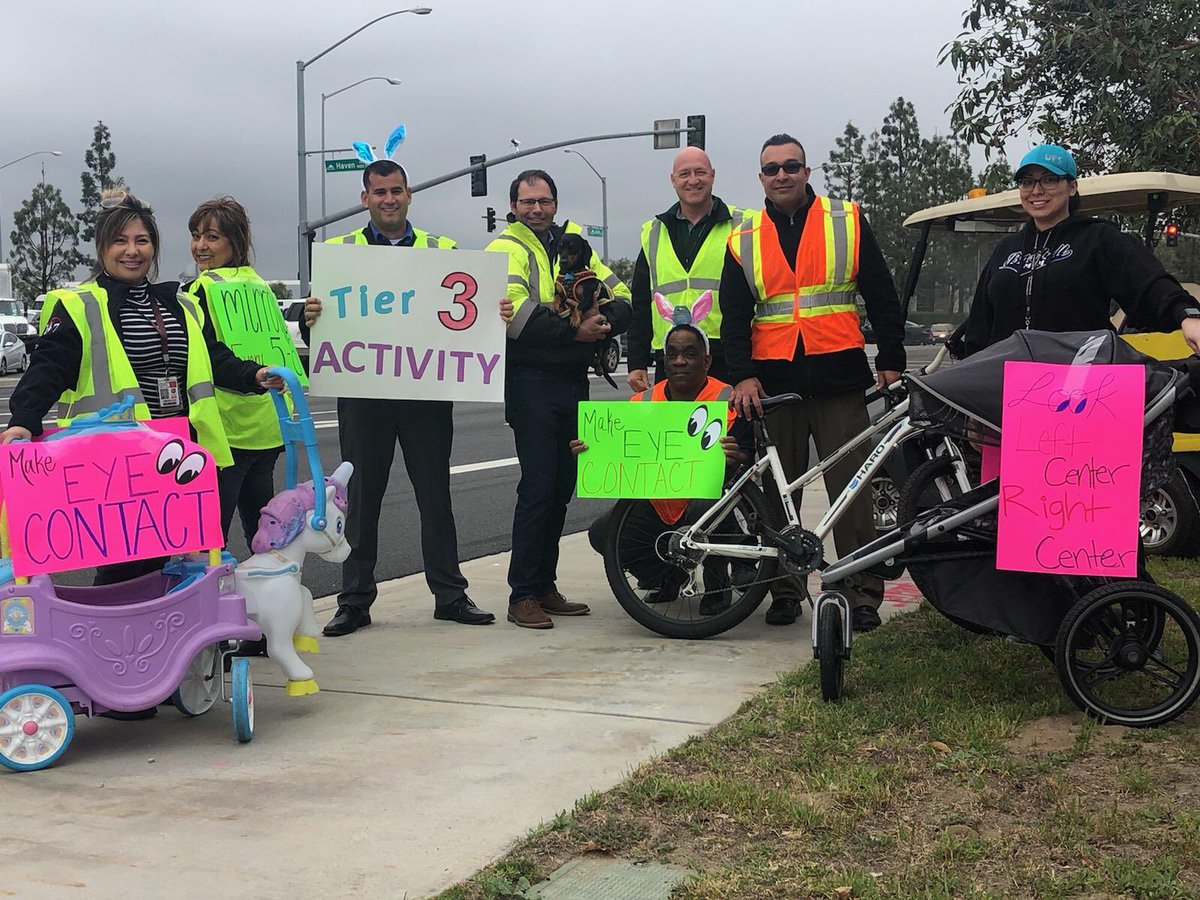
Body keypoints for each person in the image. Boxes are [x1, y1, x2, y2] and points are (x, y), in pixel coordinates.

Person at [2, 189, 281, 586]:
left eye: (142, 240)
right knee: (123, 571)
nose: (132, 251)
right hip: (118, 464)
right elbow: (49, 366)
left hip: (178, 456)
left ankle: (170, 646)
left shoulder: (179, 304)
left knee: (178, 569)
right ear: (102, 248)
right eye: (120, 241)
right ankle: (117, 646)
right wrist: (23, 420)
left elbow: (213, 358)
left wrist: (253, 376)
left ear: (154, 247)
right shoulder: (81, 304)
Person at [301, 159, 496, 634]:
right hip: (364, 396)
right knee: (360, 500)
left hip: (426, 395)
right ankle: (354, 601)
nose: (389, 199)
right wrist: (309, 316)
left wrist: (496, 309)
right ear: (365, 199)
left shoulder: (441, 250)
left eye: (397, 190)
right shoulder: (340, 253)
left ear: (409, 195)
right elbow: (324, 329)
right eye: (379, 192)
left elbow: (469, 316)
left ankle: (450, 595)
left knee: (435, 496)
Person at [721, 133, 906, 631]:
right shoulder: (743, 236)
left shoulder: (845, 219)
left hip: (838, 374)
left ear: (807, 172)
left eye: (791, 166)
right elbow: (733, 315)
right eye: (772, 169)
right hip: (774, 382)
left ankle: (860, 593)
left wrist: (891, 354)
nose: (782, 175)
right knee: (779, 493)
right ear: (761, 178)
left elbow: (880, 291)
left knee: (852, 489)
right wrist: (742, 375)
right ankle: (783, 589)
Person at [487, 169, 632, 629]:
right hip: (530, 382)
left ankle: (545, 586)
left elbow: (623, 295)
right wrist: (577, 328)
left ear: (555, 203)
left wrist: (601, 321)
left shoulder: (574, 246)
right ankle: (522, 594)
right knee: (537, 487)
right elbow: (515, 319)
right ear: (513, 205)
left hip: (573, 382)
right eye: (527, 201)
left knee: (560, 489)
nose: (536, 209)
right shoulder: (504, 248)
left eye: (544, 201)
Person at [577, 323, 752, 613]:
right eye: (671, 355)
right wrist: (590, 450)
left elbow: (750, 459)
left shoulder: (729, 399)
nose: (680, 361)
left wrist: (738, 456)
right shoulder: (643, 402)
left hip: (710, 501)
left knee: (706, 508)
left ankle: (717, 585)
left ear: (706, 361)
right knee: (602, 533)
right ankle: (665, 577)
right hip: (658, 503)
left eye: (689, 354)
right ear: (664, 361)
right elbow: (620, 452)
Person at [962, 144, 1200, 356]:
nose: (1036, 190)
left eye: (1049, 179)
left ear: (1072, 187)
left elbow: (1149, 284)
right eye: (1027, 181)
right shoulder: (1006, 250)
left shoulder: (1098, 238)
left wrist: (1187, 315)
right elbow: (980, 325)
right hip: (1004, 381)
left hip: (1079, 379)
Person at [183, 197, 286, 545]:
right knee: (267, 540)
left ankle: (213, 601)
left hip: (225, 433)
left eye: (212, 237)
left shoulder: (202, 290)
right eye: (196, 236)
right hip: (268, 428)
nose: (200, 246)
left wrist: (251, 375)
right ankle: (268, 599)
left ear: (235, 242)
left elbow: (207, 355)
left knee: (209, 542)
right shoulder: (261, 287)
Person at [627, 147, 745, 392]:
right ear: (673, 180)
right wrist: (636, 362)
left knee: (731, 428)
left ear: (712, 175)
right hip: (671, 358)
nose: (693, 180)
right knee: (674, 430)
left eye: (700, 172)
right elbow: (640, 302)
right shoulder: (654, 232)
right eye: (684, 174)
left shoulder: (743, 226)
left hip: (728, 355)